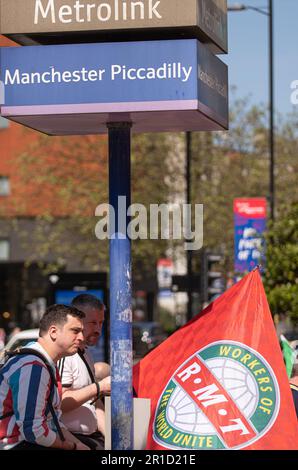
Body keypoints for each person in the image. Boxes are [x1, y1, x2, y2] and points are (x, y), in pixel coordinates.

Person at [0, 304, 90, 450]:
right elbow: (33, 432)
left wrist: (81, 446)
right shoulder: (33, 365)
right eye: (75, 331)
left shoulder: (44, 364)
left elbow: (51, 421)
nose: (81, 337)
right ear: (53, 332)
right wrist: (73, 446)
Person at [58, 294, 111, 450]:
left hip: (91, 438)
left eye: (101, 323)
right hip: (73, 439)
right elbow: (60, 402)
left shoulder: (86, 353)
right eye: (92, 323)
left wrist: (110, 436)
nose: (98, 329)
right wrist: (99, 387)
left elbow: (94, 402)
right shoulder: (66, 355)